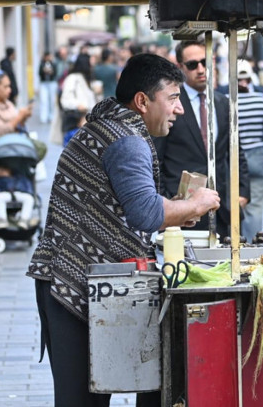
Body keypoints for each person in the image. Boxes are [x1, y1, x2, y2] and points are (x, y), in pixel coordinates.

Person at [27, 53, 221, 407]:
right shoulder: (126, 139)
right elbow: (145, 212)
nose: (179, 109)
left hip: (74, 279)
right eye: (173, 98)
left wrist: (176, 212)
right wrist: (195, 204)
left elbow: (130, 200)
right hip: (73, 285)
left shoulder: (109, 125)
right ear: (142, 101)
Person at [153, 41, 250, 239]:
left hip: (223, 207)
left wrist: (242, 191)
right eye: (192, 64)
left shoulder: (223, 103)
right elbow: (156, 157)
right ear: (180, 67)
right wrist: (165, 199)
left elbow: (235, 151)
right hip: (183, 207)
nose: (200, 69)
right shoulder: (171, 105)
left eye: (205, 62)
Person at [235, 59, 263, 241]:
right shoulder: (262, 101)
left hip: (235, 158)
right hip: (258, 156)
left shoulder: (227, 102)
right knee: (256, 207)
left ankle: (235, 242)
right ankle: (252, 245)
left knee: (233, 204)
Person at [58, 53, 98, 141]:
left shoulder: (86, 79)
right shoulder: (73, 78)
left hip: (87, 124)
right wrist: (79, 106)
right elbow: (65, 100)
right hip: (76, 123)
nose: (92, 67)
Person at [0, 72, 32, 136]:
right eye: (5, 87)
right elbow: (0, 131)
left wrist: (23, 118)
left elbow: (17, 126)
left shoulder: (8, 104)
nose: (9, 90)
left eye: (9, 86)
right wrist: (19, 117)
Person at [38, 52, 58, 123]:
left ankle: (51, 116)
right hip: (44, 83)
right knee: (44, 100)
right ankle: (44, 117)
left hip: (51, 83)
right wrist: (44, 71)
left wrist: (51, 72)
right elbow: (39, 73)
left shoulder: (53, 64)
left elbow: (55, 73)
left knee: (51, 100)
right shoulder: (42, 64)